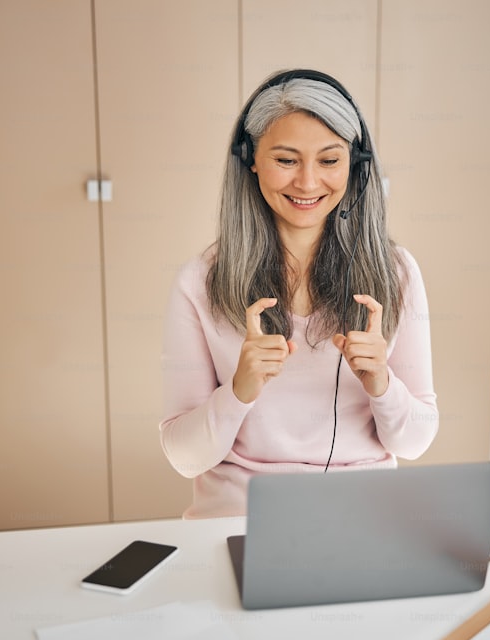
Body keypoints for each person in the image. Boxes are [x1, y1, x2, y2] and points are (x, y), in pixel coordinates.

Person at [159, 70, 439, 518]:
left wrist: (383, 386)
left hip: (362, 515)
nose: (308, 184)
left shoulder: (397, 273)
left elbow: (416, 442)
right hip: (242, 517)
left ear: (356, 164)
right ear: (250, 159)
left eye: (329, 161)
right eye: (287, 160)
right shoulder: (199, 281)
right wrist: (238, 391)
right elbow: (184, 457)